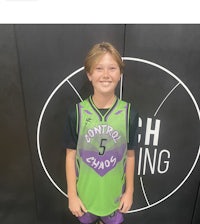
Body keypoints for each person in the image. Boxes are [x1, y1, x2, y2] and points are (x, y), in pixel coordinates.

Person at [65, 42, 138, 224]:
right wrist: (72, 196)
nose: (106, 75)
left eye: (112, 68)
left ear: (120, 74)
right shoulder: (77, 113)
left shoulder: (129, 114)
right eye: (99, 68)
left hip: (114, 200)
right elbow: (70, 156)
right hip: (85, 200)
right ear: (89, 74)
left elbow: (130, 155)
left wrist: (129, 192)